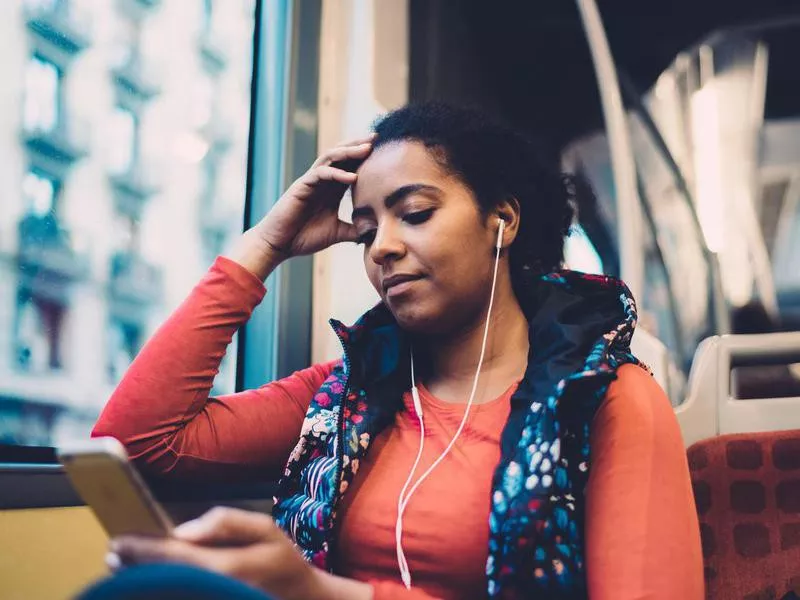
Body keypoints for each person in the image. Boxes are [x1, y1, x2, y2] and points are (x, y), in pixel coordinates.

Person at [84, 103, 703, 599]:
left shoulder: (606, 400)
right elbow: (137, 443)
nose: (381, 247)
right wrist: (266, 243)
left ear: (503, 222)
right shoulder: (345, 398)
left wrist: (329, 595)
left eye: (414, 213)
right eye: (366, 228)